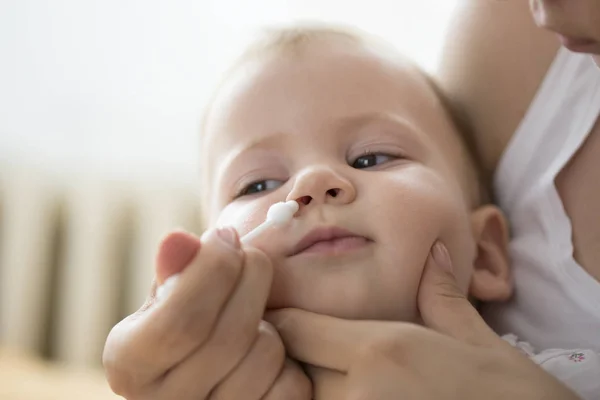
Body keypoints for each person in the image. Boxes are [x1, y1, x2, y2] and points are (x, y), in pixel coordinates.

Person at [103, 2, 600, 399]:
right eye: (256, 186)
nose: (314, 182)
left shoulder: (562, 381)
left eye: (372, 158)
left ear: (487, 255)